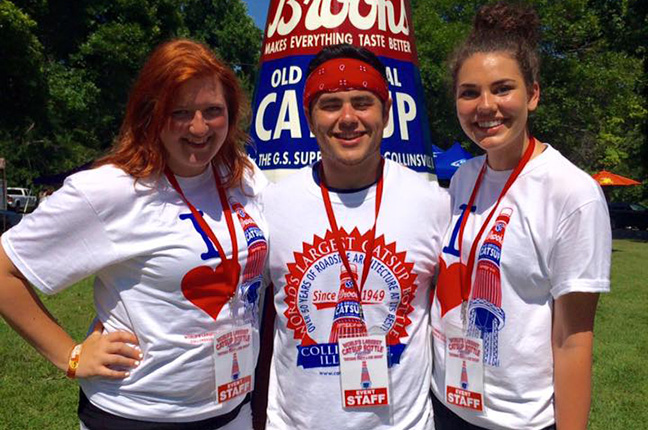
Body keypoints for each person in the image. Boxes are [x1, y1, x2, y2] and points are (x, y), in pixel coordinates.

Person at [0, 39, 268, 429]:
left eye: (213, 111)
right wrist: (70, 355)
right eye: (180, 112)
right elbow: (5, 271)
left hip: (231, 412)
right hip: (136, 414)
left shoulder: (244, 178)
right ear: (151, 114)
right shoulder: (110, 190)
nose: (198, 128)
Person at [429, 3, 611, 430]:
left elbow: (573, 340)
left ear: (533, 94)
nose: (485, 105)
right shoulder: (464, 178)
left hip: (516, 420)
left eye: (503, 88)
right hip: (444, 401)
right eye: (469, 92)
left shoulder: (571, 193)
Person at [262, 44, 450, 430]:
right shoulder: (270, 205)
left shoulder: (433, 202)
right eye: (330, 104)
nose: (348, 118)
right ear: (309, 118)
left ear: (386, 113)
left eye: (363, 102)